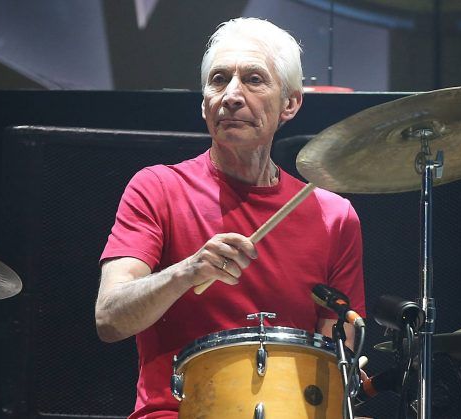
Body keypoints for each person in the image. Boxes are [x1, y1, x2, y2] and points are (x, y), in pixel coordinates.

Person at [95, 17, 366, 419]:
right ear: (203, 102)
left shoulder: (333, 215)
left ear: (290, 103)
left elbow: (333, 357)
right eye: (219, 80)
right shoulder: (157, 188)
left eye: (254, 80)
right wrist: (186, 271)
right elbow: (109, 318)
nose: (232, 95)